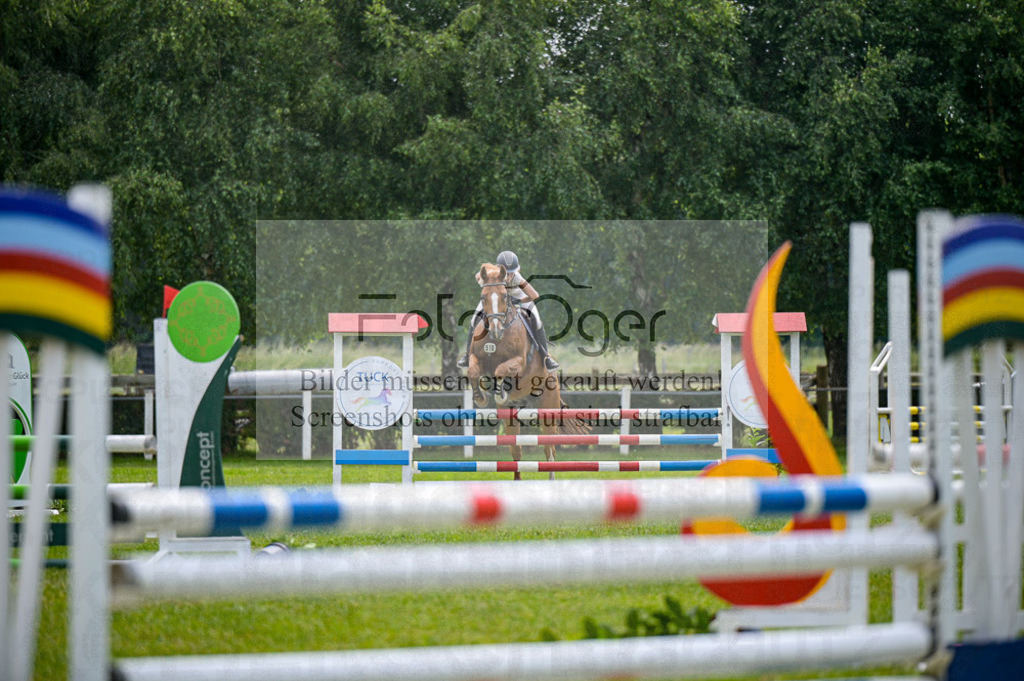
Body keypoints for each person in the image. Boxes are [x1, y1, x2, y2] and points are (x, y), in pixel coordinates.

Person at [457, 250, 560, 372]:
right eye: (508, 273)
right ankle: (467, 355)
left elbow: (534, 295)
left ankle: (546, 357)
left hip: (519, 297)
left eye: (512, 273)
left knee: (537, 320)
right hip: (497, 298)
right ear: (500, 270)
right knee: (474, 319)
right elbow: (478, 276)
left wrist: (520, 300)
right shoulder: (493, 275)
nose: (510, 276)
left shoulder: (517, 278)